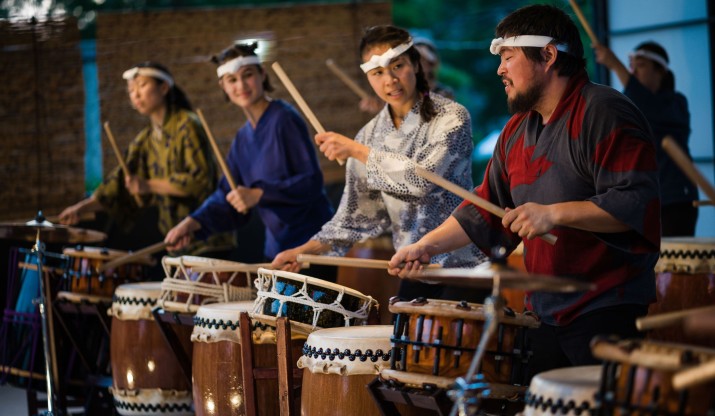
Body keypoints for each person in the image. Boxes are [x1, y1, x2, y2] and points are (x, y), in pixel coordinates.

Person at [388, 4, 661, 379]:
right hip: (543, 312)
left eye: (508, 57)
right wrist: (427, 246)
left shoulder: (605, 111)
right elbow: (485, 209)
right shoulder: (517, 128)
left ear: (548, 55)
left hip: (605, 307)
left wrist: (553, 213)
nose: (500, 69)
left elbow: (635, 202)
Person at [272, 25, 487, 302]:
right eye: (378, 73)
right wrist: (303, 252)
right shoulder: (369, 135)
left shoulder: (452, 117)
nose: (390, 80)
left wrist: (358, 152)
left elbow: (423, 180)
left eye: (398, 66)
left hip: (464, 267)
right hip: (415, 268)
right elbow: (353, 220)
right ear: (368, 77)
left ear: (415, 65)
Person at [165, 42, 334, 266]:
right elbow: (227, 195)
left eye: (248, 75)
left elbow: (311, 183)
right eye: (232, 80)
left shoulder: (284, 119)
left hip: (313, 246)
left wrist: (259, 193)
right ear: (223, 86)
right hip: (276, 249)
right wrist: (193, 222)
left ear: (262, 74)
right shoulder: (242, 139)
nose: (241, 85)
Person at [59, 62, 232, 256]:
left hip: (208, 240)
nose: (135, 94)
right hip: (177, 242)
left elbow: (198, 182)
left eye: (142, 85)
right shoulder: (146, 139)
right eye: (131, 90)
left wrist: (148, 185)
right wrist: (80, 209)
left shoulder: (187, 124)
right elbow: (116, 186)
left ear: (164, 88)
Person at [594, 41, 698, 236]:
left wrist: (616, 65)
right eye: (631, 67)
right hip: (645, 197)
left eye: (640, 65)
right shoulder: (635, 104)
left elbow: (650, 104)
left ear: (660, 71)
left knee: (674, 261)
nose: (633, 72)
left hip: (676, 198)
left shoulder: (676, 103)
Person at [359, 35, 454, 115]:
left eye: (421, 60)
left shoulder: (444, 93)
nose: (416, 64)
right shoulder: (399, 91)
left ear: (431, 64)